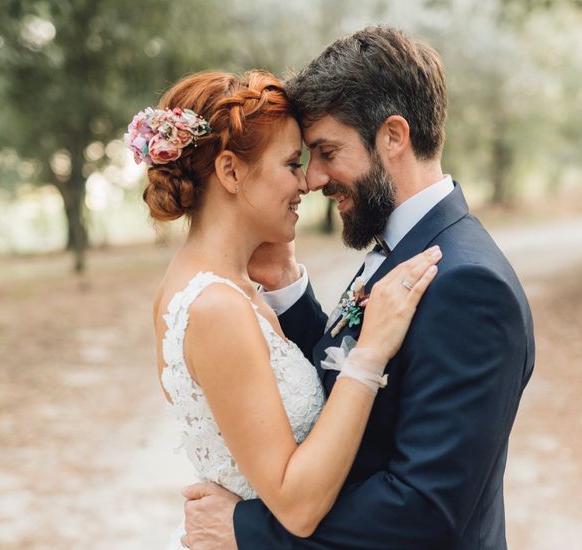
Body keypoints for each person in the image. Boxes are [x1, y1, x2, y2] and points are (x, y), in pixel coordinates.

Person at [181, 26, 536, 550]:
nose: (313, 179)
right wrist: (287, 288)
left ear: (393, 136)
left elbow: (424, 509)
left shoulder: (470, 287)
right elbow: (332, 387)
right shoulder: (404, 242)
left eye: (327, 152)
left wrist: (247, 530)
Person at [129, 70, 442, 550]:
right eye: (292, 163)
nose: (307, 182)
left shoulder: (225, 286)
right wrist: (369, 352)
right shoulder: (216, 307)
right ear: (231, 172)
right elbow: (296, 505)